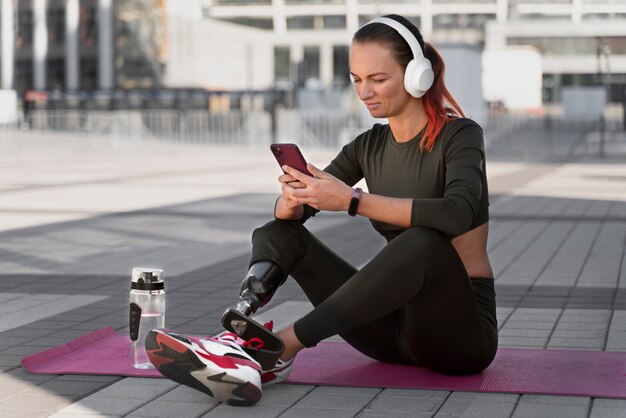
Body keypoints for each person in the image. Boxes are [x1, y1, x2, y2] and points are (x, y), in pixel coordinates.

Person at [146, 14, 498, 406]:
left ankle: (280, 348)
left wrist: (352, 200)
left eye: (378, 79)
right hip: (391, 336)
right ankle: (241, 328)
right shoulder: (368, 145)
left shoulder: (460, 135)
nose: (365, 92)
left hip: (460, 339)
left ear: (418, 75)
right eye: (356, 79)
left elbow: (457, 213)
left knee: (424, 243)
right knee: (278, 232)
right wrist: (292, 199)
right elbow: (297, 214)